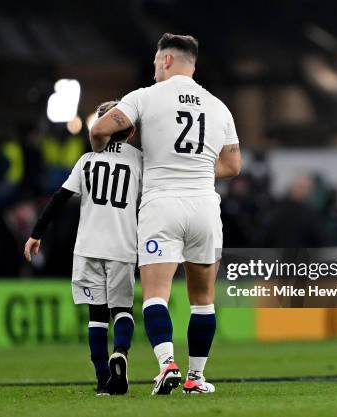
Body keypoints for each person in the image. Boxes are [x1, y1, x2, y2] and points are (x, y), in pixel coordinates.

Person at [90, 33, 241, 395]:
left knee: (156, 294)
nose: (154, 69)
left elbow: (99, 129)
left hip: (161, 205)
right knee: (203, 300)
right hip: (205, 206)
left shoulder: (145, 96)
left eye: (157, 63)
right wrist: (197, 168)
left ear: (168, 61)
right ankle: (196, 377)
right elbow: (233, 165)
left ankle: (166, 365)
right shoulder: (219, 106)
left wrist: (103, 152)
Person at [24, 101, 142, 396]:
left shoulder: (87, 160)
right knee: (123, 309)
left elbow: (59, 198)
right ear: (130, 132)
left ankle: (103, 379)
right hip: (123, 244)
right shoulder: (139, 161)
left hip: (88, 245)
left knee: (97, 315)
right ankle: (121, 353)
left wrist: (36, 233)